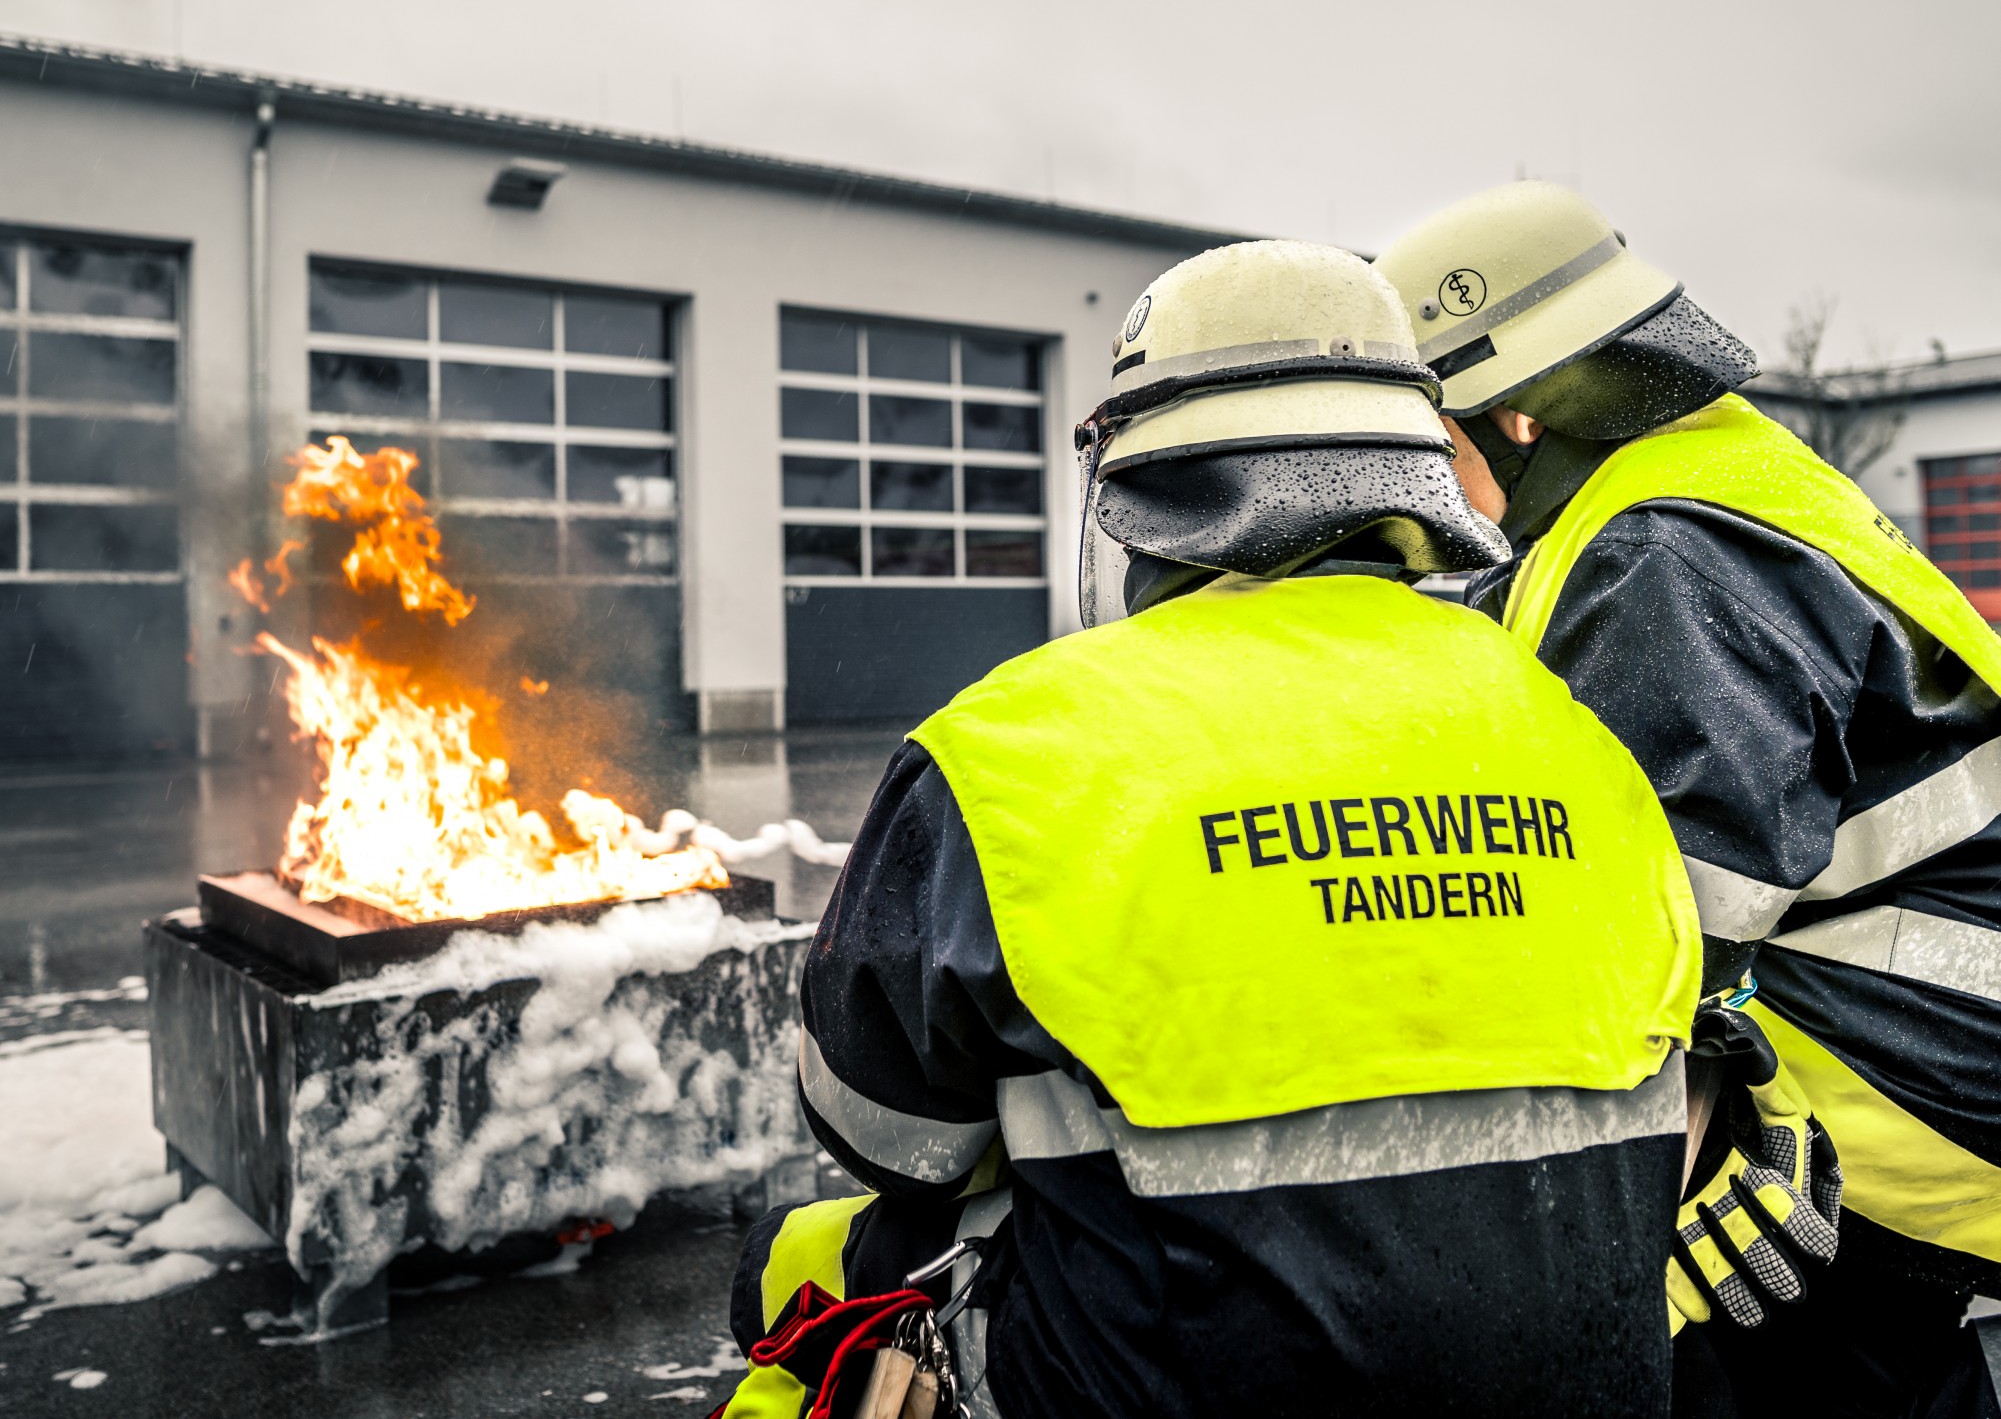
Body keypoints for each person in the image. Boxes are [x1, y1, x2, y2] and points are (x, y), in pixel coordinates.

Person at [709, 239, 1702, 1419]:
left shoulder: (1014, 747)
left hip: (1167, 1385)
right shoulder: (1570, 726)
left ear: (1144, 494)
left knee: (793, 1268)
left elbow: (883, 1134)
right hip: (1589, 1384)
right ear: (1413, 477)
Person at [1377, 181, 2001, 1418]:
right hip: (1938, 1064)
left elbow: (1654, 942)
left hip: (1882, 1109)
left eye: (1435, 434)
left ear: (1519, 413)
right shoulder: (1714, 480)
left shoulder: (1656, 554)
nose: (1428, 477)